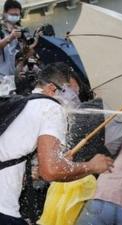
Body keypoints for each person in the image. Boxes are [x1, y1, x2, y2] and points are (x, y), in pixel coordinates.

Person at [0, 62, 113, 225]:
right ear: (52, 89)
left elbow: (13, 155)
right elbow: (50, 172)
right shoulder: (52, 108)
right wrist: (92, 166)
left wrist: (52, 164)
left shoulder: (23, 102)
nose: (75, 101)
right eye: (72, 94)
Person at [0, 0, 22, 76]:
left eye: (17, 15)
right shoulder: (1, 29)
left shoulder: (19, 31)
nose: (15, 17)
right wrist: (10, 37)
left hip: (12, 77)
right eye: (12, 14)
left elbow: (18, 56)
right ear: (5, 14)